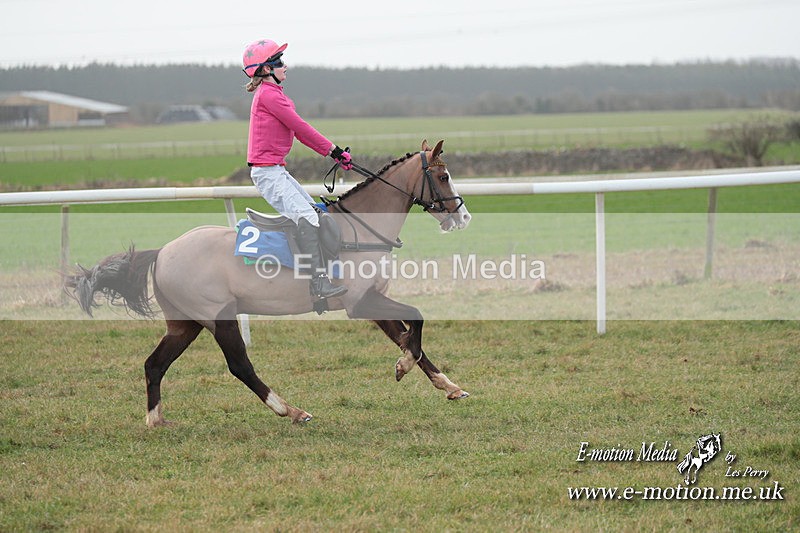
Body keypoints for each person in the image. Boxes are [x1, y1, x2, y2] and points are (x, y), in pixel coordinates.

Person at [242, 39, 351, 299]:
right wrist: (333, 150)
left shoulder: (275, 95)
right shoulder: (269, 95)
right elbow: (302, 128)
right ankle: (318, 283)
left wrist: (332, 153)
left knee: (316, 211)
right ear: (266, 69)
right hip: (268, 172)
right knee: (308, 218)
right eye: (279, 62)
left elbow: (300, 132)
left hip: (276, 170)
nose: (285, 66)